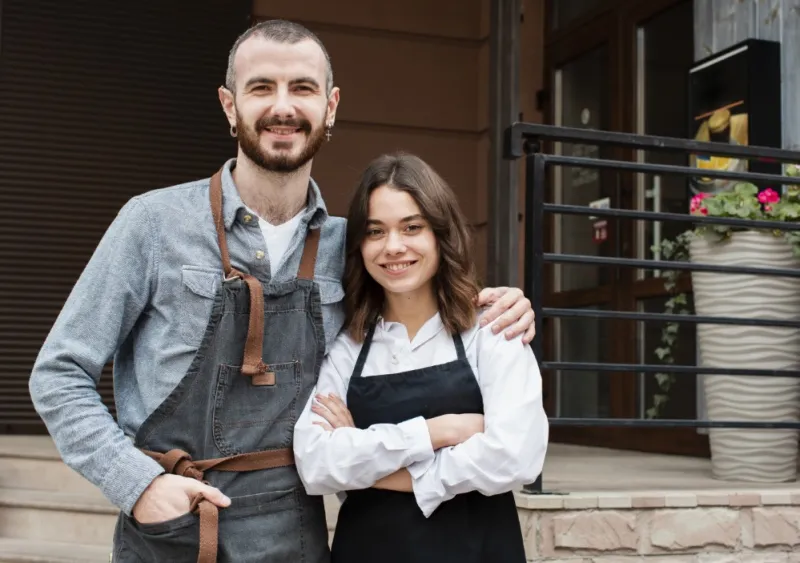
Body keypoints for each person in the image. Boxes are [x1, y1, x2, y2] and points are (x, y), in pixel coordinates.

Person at [28, 19, 536, 563]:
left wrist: (497, 302)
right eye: (261, 87)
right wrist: (136, 483)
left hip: (294, 538)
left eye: (302, 88)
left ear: (331, 105)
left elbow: (419, 292)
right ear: (229, 106)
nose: (283, 106)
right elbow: (59, 375)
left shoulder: (352, 247)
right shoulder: (152, 223)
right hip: (174, 526)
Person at [292, 153, 549, 563]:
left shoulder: (494, 328)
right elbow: (317, 463)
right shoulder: (348, 346)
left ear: (440, 234)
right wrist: (436, 432)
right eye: (376, 231)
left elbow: (515, 458)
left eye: (412, 227)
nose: (394, 247)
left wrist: (374, 465)